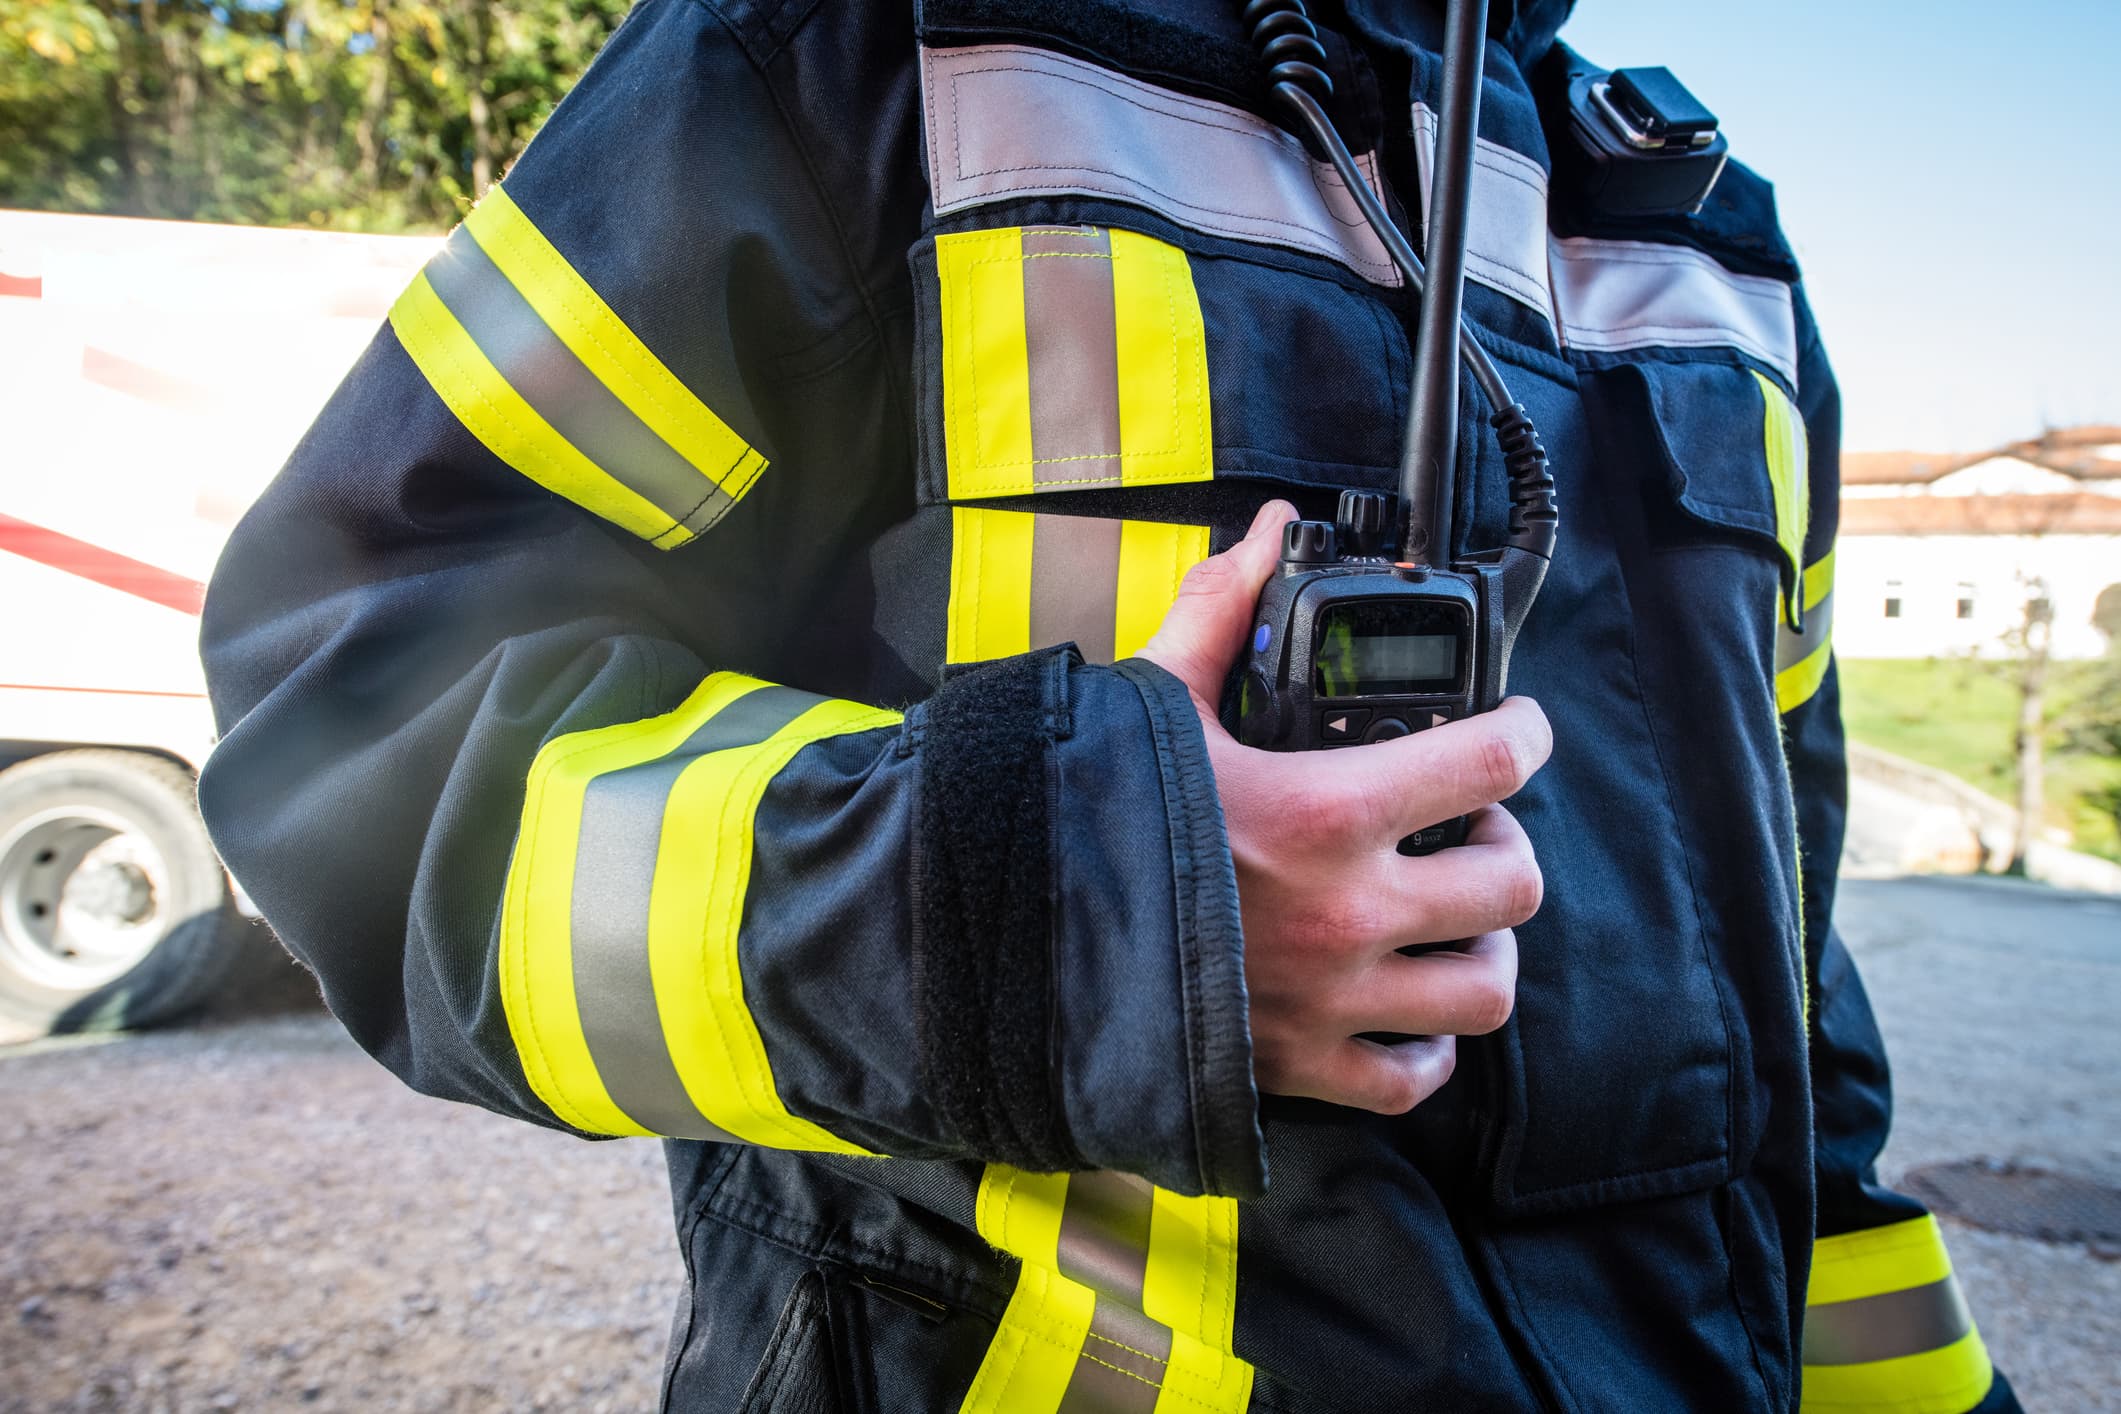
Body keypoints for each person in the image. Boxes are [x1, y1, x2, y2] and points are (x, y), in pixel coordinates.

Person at [196, 0, 2020, 1408]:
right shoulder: (851, 54)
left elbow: (1792, 996)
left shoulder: (1709, 234)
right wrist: (1060, 915)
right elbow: (354, 724)